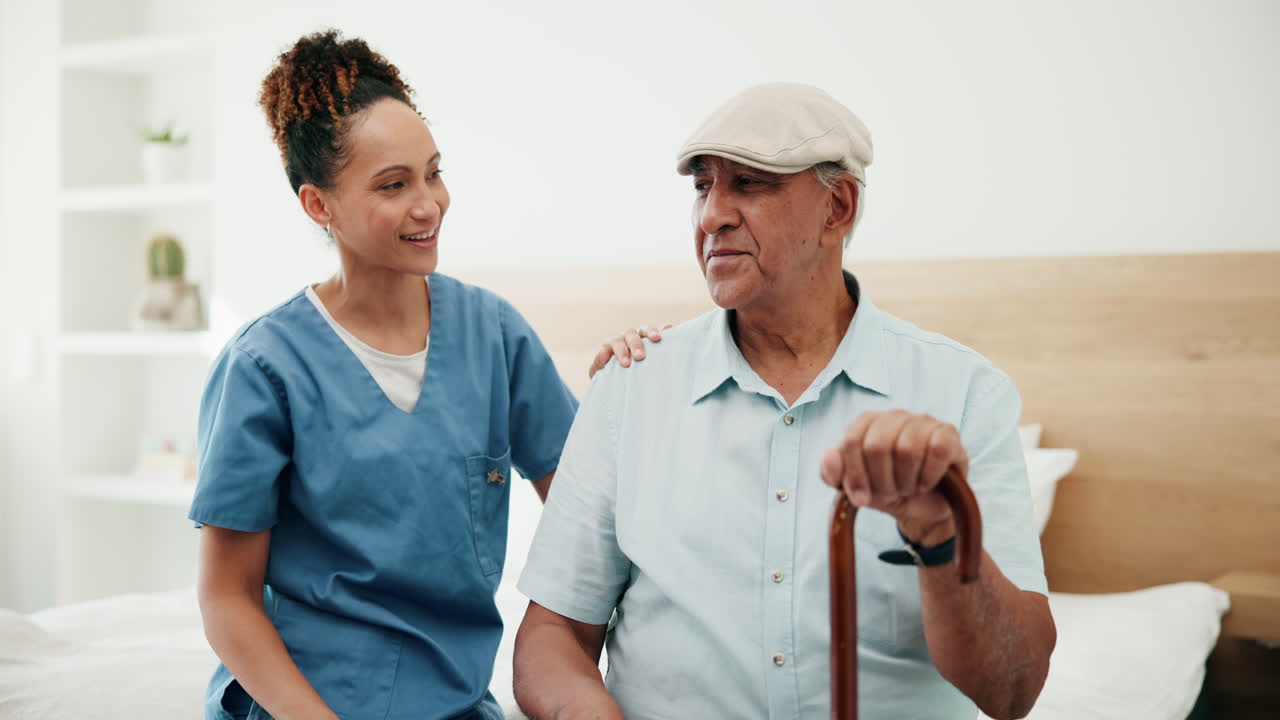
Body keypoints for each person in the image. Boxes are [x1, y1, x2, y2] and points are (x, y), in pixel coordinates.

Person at [513, 82, 1057, 720]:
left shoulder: (964, 393)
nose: (711, 215)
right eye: (703, 187)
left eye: (748, 184)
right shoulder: (632, 385)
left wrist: (940, 536)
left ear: (838, 208)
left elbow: (1013, 691)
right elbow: (553, 634)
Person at [189, 30, 650, 720]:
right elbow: (227, 599)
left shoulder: (494, 335)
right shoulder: (264, 367)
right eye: (393, 185)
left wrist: (633, 390)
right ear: (319, 205)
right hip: (304, 704)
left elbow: (593, 515)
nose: (428, 203)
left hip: (454, 702)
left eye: (433, 173)